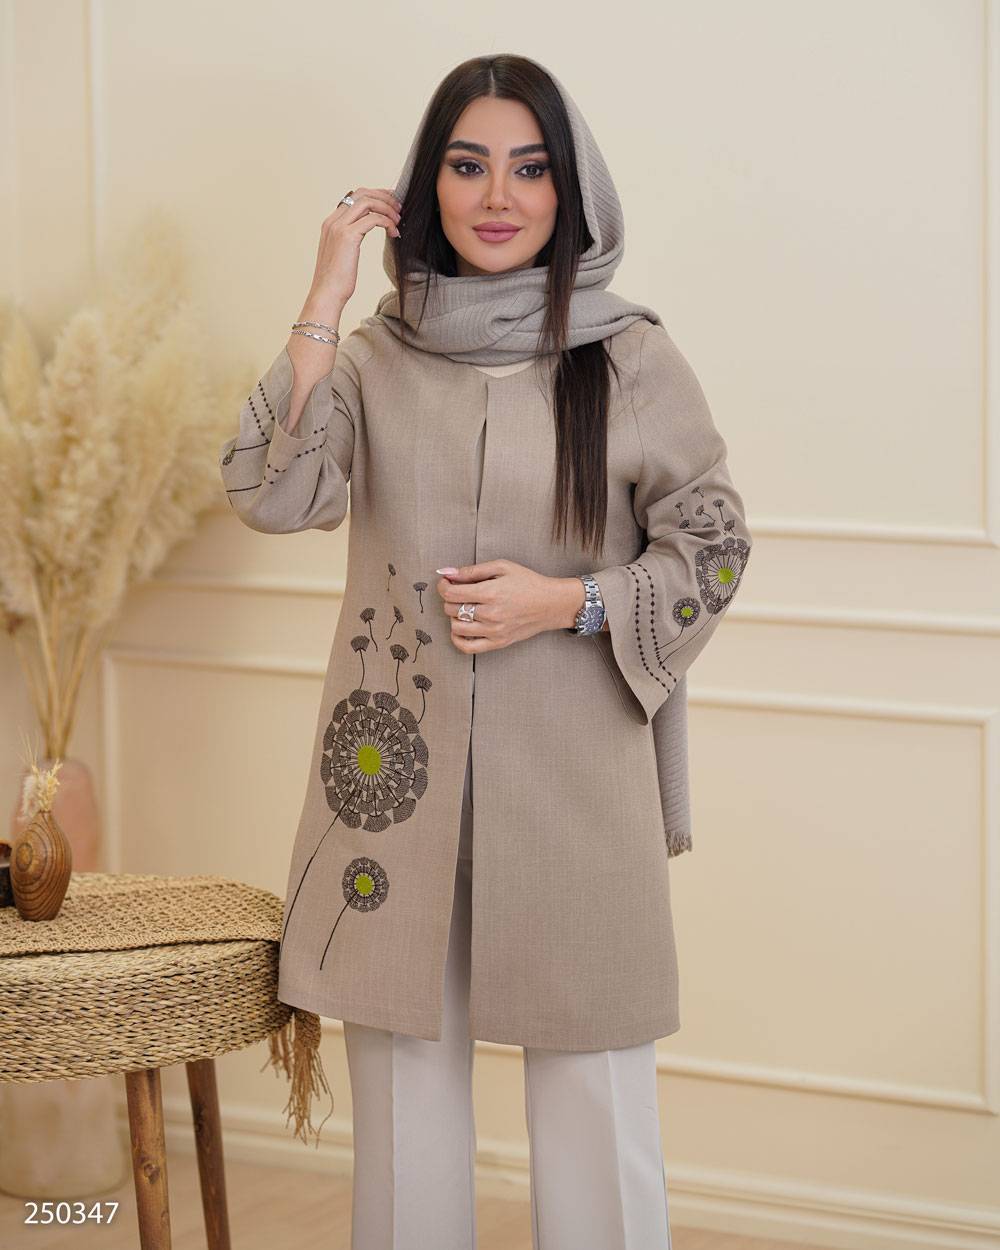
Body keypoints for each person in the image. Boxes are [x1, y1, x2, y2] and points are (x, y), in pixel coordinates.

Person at [221, 51, 752, 1250]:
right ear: (428, 187)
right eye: (467, 166)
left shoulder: (628, 357)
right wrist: (324, 294)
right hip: (392, 789)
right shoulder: (374, 358)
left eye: (530, 167)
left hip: (574, 784)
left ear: (573, 193)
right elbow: (269, 490)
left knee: (592, 1104)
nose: (498, 195)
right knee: (403, 1112)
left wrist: (569, 601)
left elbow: (716, 546)